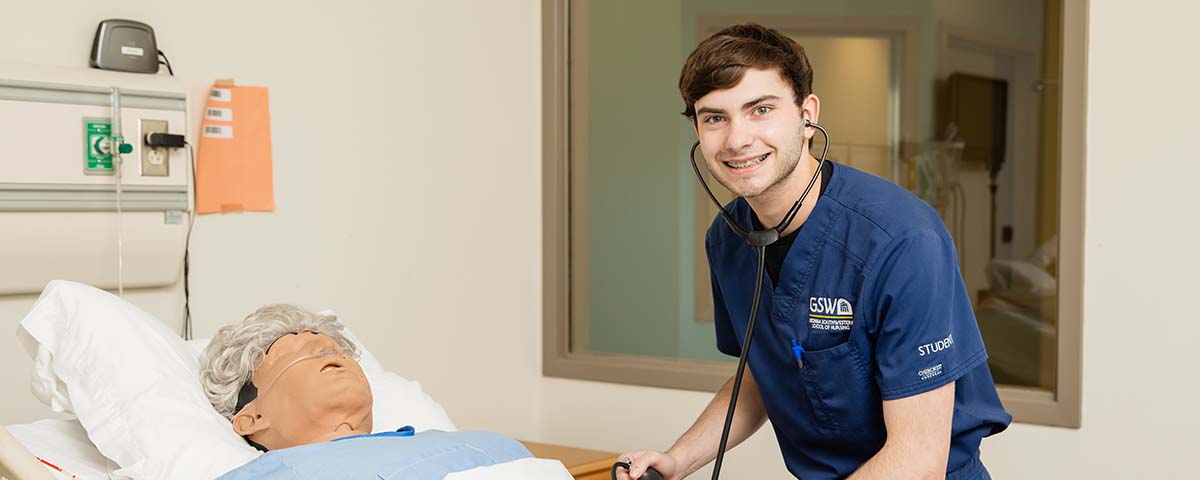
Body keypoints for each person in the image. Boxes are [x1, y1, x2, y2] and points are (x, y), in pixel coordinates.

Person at [618, 23, 1011, 480]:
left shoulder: (902, 240)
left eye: (760, 109)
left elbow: (918, 460)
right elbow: (762, 373)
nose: (737, 139)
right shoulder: (728, 241)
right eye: (715, 118)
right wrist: (678, 460)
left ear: (807, 115)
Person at [199, 304, 532, 479]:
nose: (328, 349)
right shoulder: (269, 475)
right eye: (290, 351)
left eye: (335, 348)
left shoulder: (490, 444)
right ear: (253, 417)